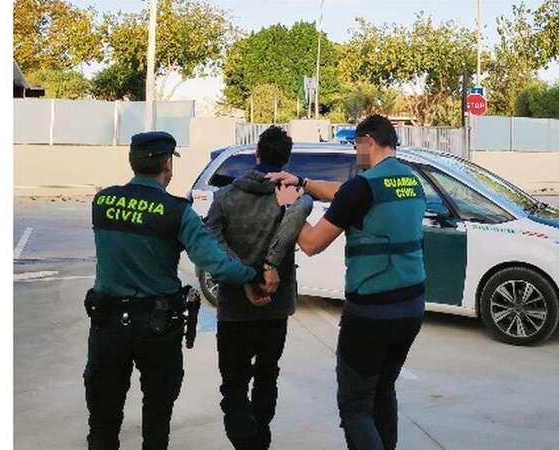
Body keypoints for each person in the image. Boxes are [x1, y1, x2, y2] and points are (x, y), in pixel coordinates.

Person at [84, 131, 273, 450]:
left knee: (103, 421)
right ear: (167, 165)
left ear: (133, 162)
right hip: (157, 330)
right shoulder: (176, 211)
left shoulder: (102, 202)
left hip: (108, 325)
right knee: (157, 419)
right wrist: (252, 275)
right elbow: (216, 263)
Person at [267, 115, 427, 450]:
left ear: (368, 141)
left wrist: (289, 207)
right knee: (384, 389)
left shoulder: (362, 187)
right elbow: (344, 193)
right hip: (412, 307)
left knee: (355, 404)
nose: (356, 152)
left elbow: (311, 243)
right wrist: (302, 181)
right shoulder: (411, 181)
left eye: (356, 145)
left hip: (371, 311)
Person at [205, 126, 313, 450]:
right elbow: (302, 208)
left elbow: (211, 240)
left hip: (234, 311)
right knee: (268, 375)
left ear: (257, 156)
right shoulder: (289, 196)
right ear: (287, 160)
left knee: (233, 386)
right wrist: (267, 267)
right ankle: (259, 440)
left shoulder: (225, 197)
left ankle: (244, 441)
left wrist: (244, 275)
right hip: (275, 308)